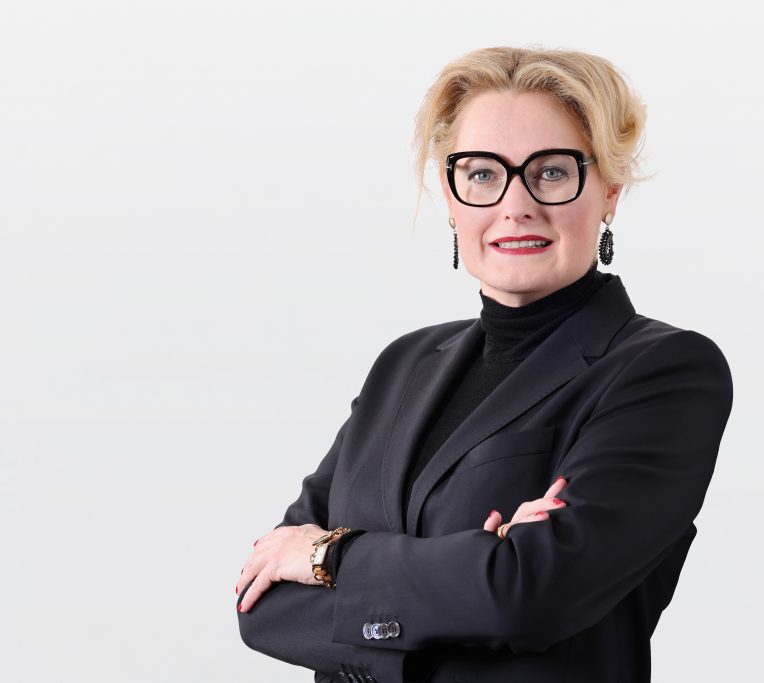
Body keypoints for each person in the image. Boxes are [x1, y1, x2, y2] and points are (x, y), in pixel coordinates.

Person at [236, 46, 733, 683]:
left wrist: (330, 557)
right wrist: (480, 567)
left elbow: (530, 594)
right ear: (451, 197)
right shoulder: (403, 365)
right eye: (481, 173)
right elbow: (264, 604)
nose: (515, 203)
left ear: (609, 191)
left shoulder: (664, 372)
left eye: (551, 171)